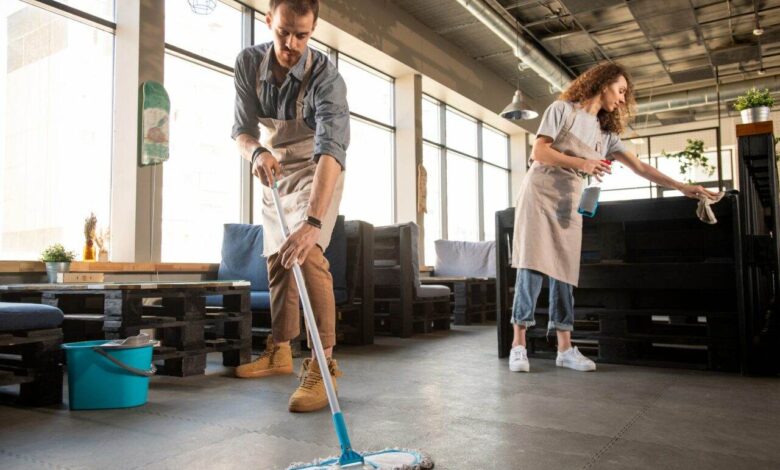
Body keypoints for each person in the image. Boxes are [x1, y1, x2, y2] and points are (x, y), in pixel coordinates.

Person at [508, 63, 718, 373]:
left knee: (564, 271)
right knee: (532, 264)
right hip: (540, 191)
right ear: (603, 83)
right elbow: (540, 152)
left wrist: (683, 187)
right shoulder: (562, 110)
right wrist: (584, 162)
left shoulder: (606, 135)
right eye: (620, 91)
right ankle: (519, 345)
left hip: (569, 198)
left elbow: (642, 168)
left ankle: (564, 348)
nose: (622, 99)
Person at [231, 0, 350, 413]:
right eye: (284, 32)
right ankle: (279, 351)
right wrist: (256, 153)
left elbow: (332, 152)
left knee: (306, 252)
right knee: (277, 256)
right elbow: (241, 132)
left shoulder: (327, 79)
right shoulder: (248, 64)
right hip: (275, 164)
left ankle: (324, 363)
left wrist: (313, 221)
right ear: (269, 21)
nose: (292, 43)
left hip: (319, 169)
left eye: (302, 34)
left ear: (314, 28)